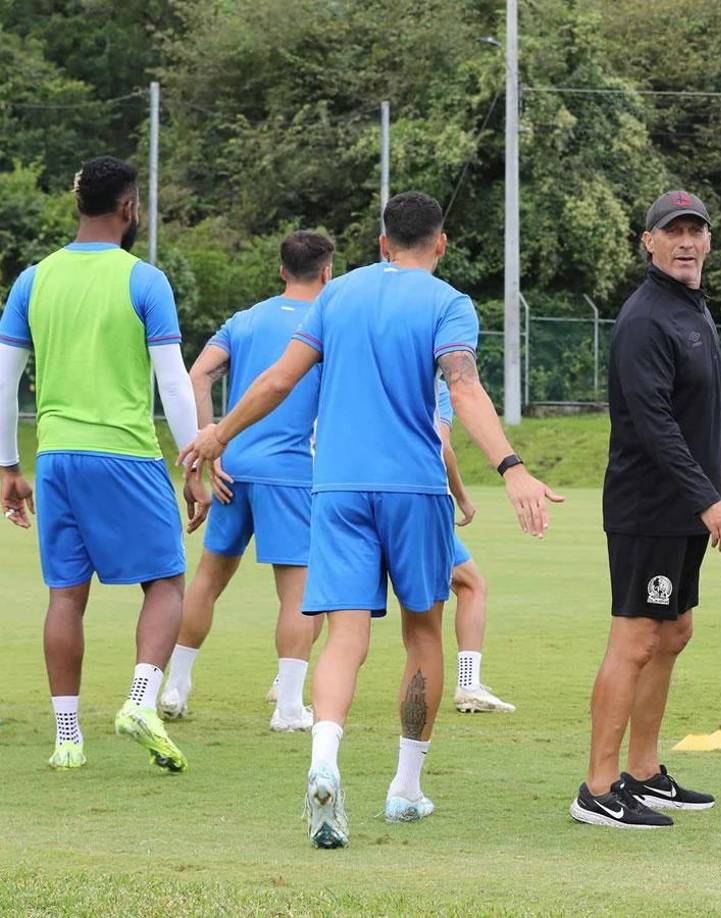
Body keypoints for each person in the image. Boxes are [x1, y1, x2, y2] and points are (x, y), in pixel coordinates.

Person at [178, 191, 561, 849]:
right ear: (438, 245)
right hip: (414, 489)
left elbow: (275, 382)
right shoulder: (448, 304)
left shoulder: (337, 296)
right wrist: (511, 467)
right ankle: (406, 789)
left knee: (343, 636)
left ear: (382, 242)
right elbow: (463, 388)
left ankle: (324, 754)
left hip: (338, 489)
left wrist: (218, 435)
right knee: (421, 634)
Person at [0, 156, 207, 773]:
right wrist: (192, 461)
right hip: (124, 453)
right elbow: (172, 382)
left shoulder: (33, 280)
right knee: (167, 582)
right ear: (128, 207)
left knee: (66, 595)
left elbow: (5, 382)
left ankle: (68, 737)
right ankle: (141, 700)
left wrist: (9, 466)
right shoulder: (145, 280)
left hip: (57, 455)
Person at [570, 190, 721, 830]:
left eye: (696, 230)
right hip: (651, 508)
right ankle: (597, 786)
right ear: (649, 242)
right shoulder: (646, 317)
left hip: (683, 514)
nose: (687, 242)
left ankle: (643, 773)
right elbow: (653, 423)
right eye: (674, 232)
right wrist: (709, 500)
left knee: (674, 632)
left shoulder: (690, 310)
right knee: (636, 638)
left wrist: (701, 502)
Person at [158, 231, 334, 731]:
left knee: (209, 580)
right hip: (293, 472)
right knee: (298, 592)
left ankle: (176, 686)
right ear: (327, 271)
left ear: (281, 270)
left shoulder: (244, 320)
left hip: (231, 468)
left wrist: (207, 448)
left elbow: (197, 375)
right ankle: (289, 707)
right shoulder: (328, 322)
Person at [435, 377, 515, 714]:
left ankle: (287, 683)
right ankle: (468, 685)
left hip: (348, 495)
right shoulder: (435, 386)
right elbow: (441, 445)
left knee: (345, 608)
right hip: (415, 502)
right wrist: (463, 498)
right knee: (470, 585)